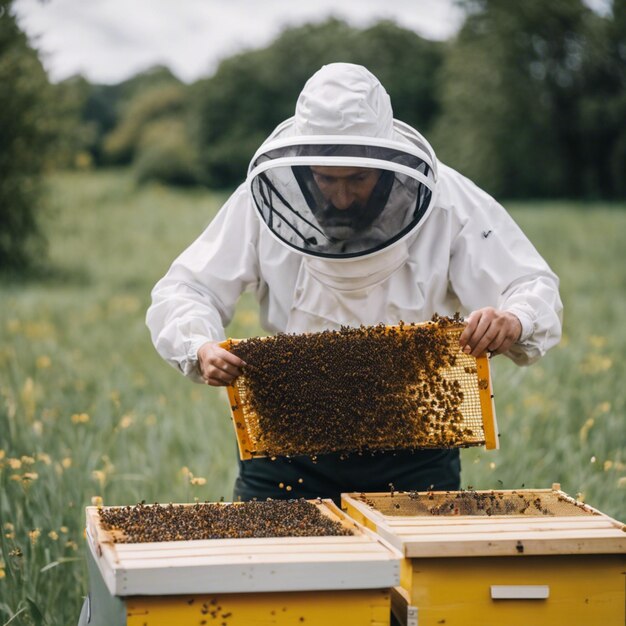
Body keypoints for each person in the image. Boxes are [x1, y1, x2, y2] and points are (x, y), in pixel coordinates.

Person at [146, 63, 563, 504]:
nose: (341, 197)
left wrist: (513, 320)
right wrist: (200, 346)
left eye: (357, 179)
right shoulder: (259, 202)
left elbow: (530, 283)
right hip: (286, 444)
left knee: (406, 575)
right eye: (326, 179)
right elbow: (188, 288)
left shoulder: (449, 201)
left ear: (385, 163)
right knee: (270, 571)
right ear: (305, 167)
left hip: (417, 442)